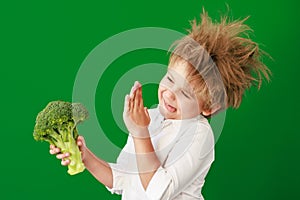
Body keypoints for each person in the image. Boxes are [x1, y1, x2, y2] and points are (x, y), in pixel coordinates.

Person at [50, 10, 270, 200]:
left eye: (185, 93)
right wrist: (85, 155)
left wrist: (140, 133)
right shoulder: (153, 117)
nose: (170, 94)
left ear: (208, 108)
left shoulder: (199, 136)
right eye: (170, 79)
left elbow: (158, 192)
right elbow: (124, 180)